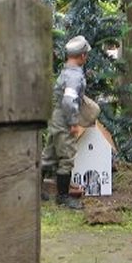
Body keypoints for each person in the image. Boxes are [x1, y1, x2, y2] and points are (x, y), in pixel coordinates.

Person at [41, 35, 97, 209]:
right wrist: (73, 123)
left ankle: (33, 190)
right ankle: (63, 196)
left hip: (57, 117)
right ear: (82, 56)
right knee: (66, 157)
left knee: (49, 155)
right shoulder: (74, 76)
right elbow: (68, 100)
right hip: (65, 119)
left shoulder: (66, 72)